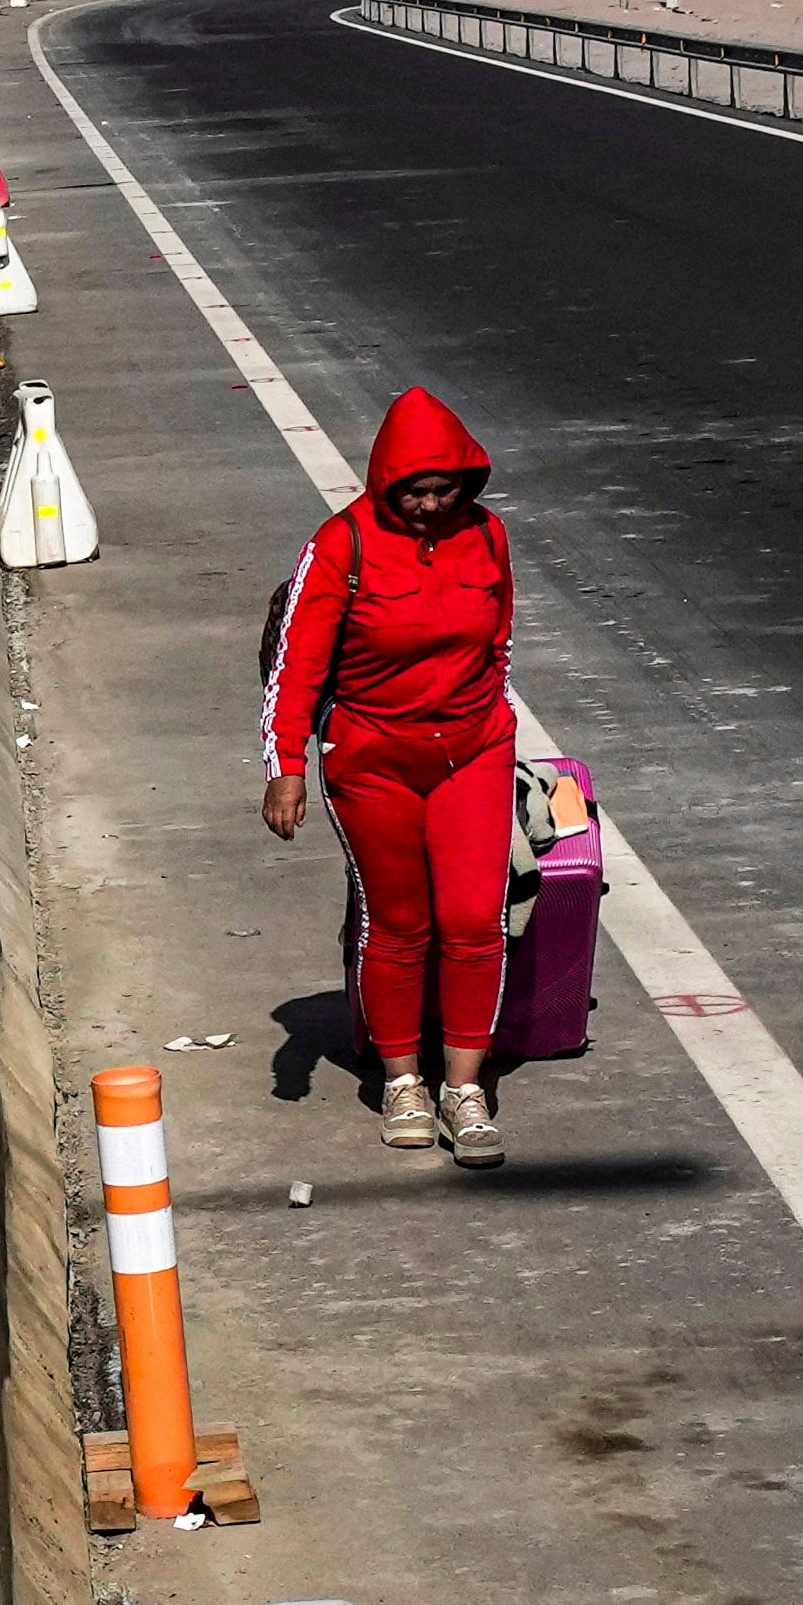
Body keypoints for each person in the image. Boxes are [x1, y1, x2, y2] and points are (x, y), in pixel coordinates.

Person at [263, 386, 522, 1170]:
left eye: (445, 490)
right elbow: (296, 666)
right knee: (401, 921)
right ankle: (404, 1077)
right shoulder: (339, 545)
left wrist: (498, 722)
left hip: (474, 750)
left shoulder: (487, 535)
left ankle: (464, 1087)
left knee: (476, 920)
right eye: (415, 490)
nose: (430, 504)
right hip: (372, 757)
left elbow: (499, 640)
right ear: (385, 482)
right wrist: (285, 768)